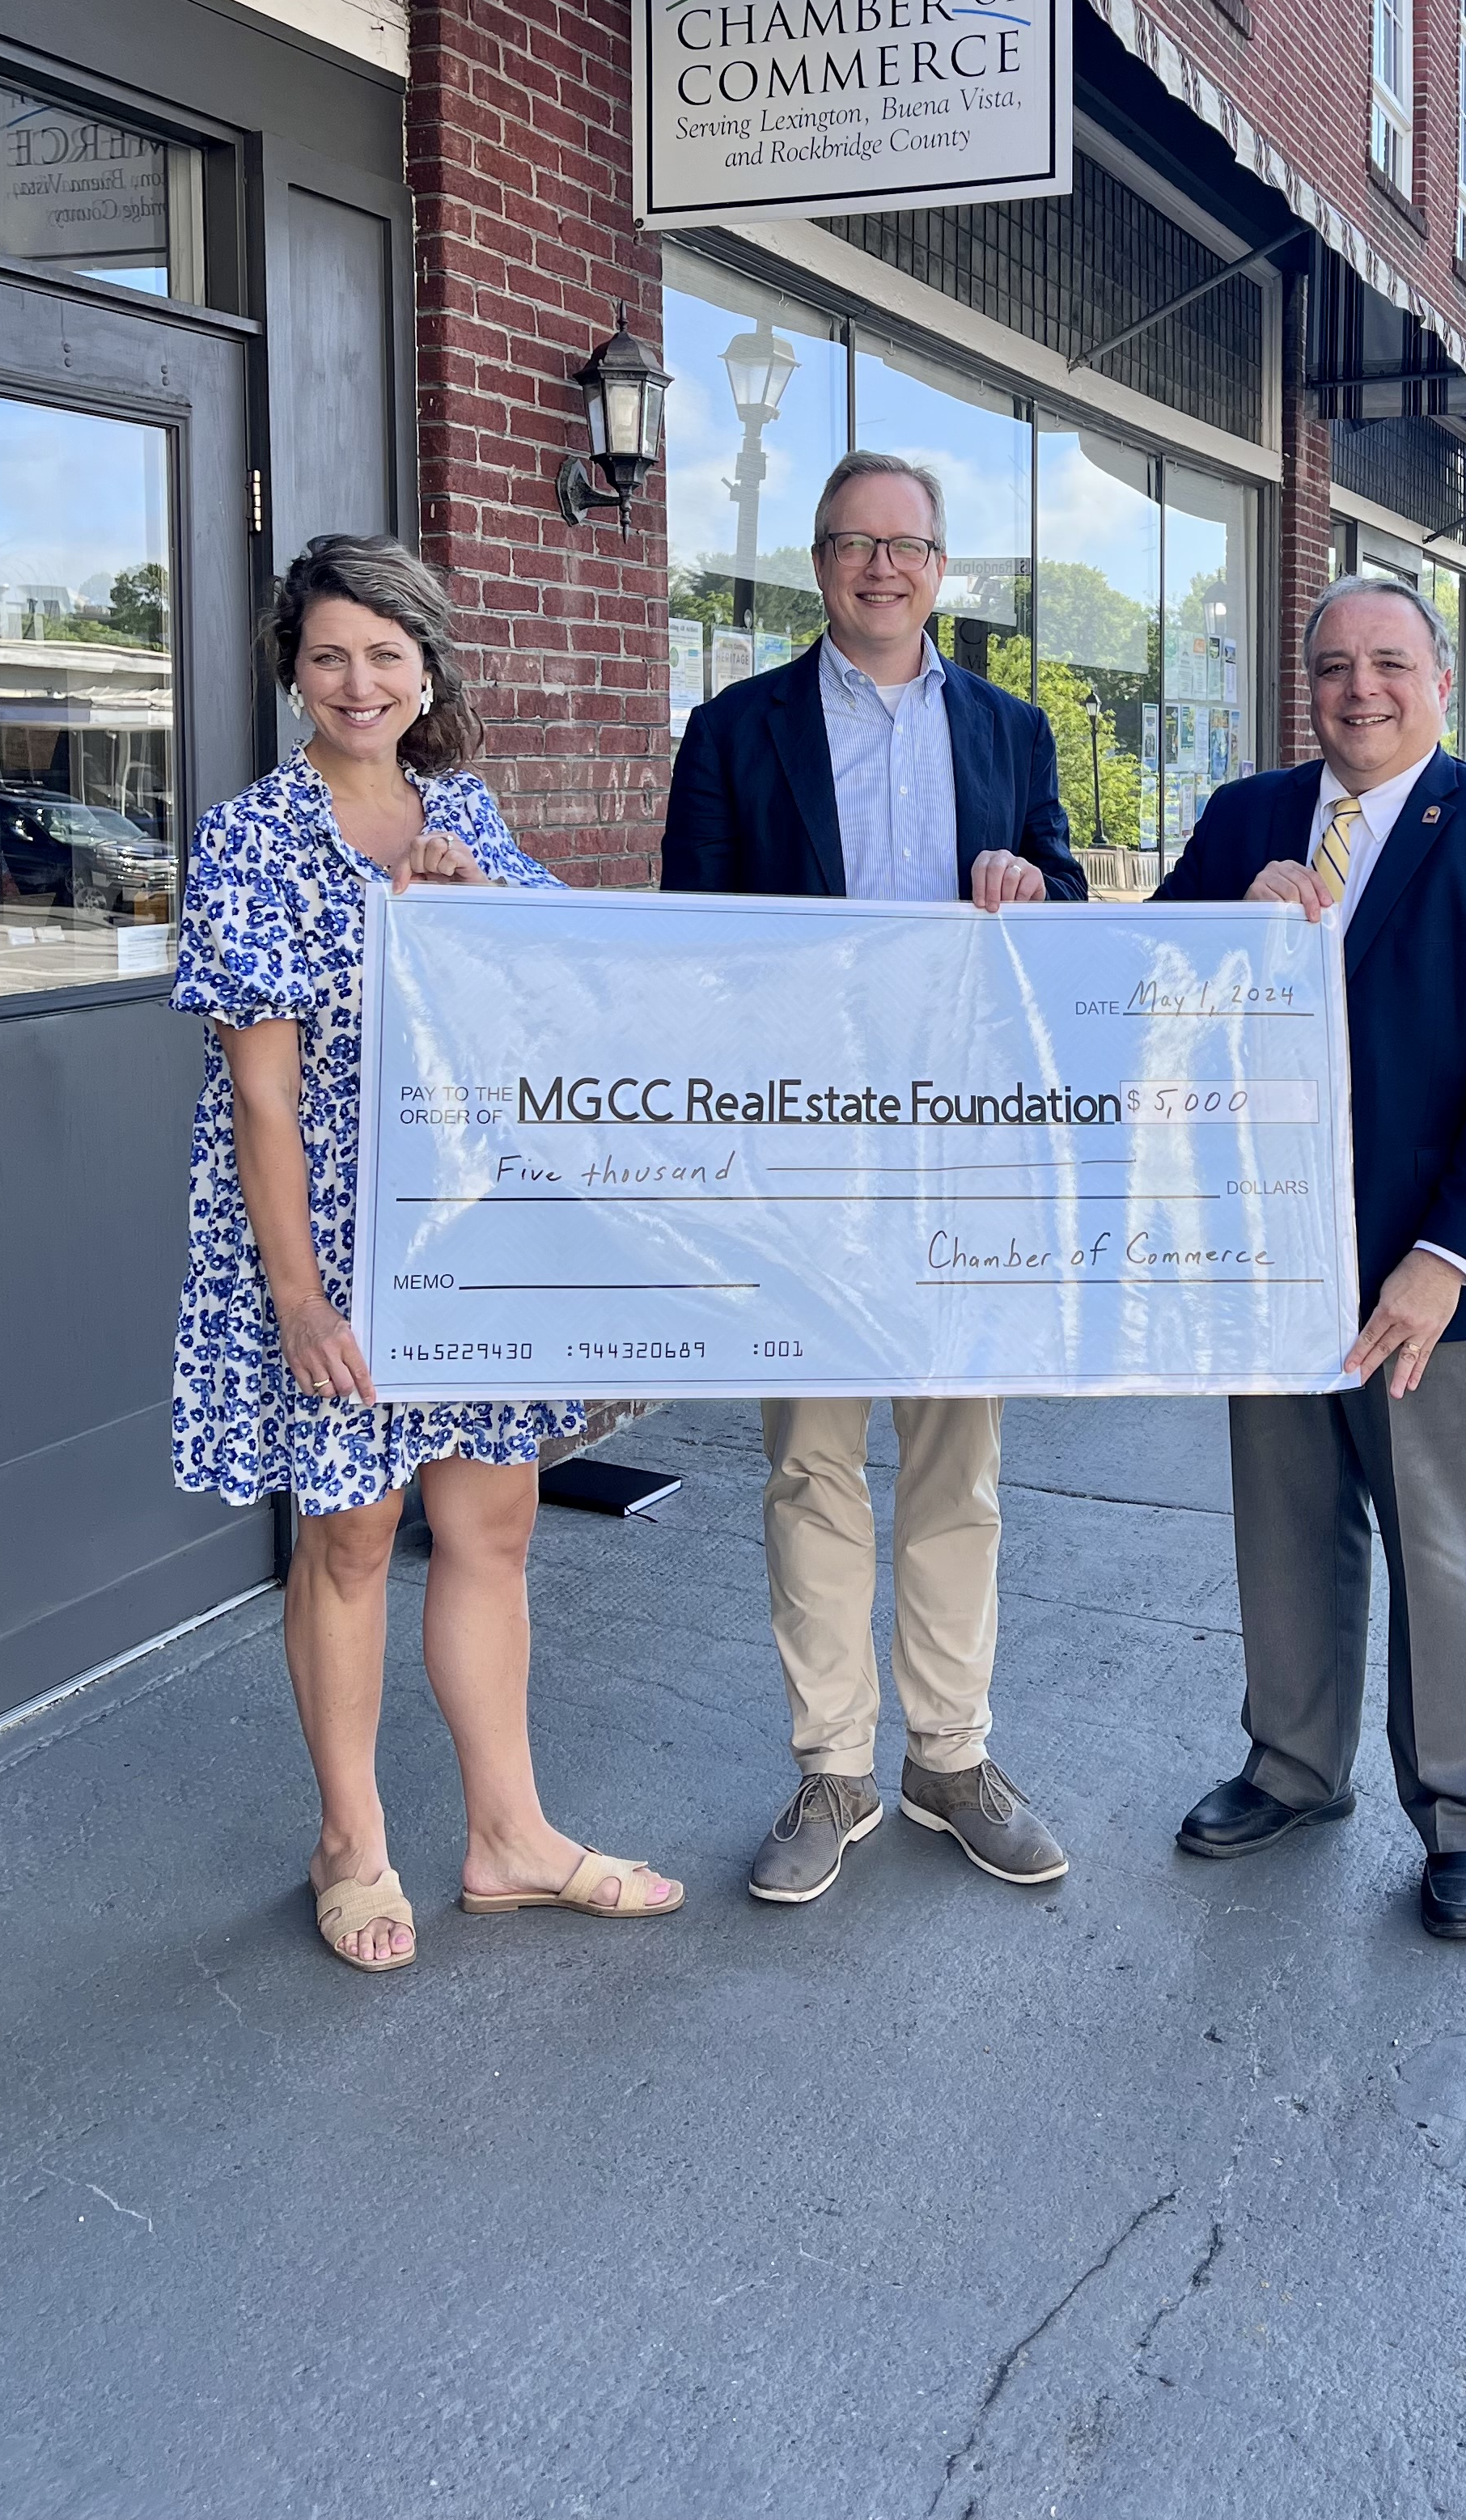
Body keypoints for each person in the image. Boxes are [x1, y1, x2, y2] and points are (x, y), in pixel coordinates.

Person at [171, 533, 681, 1972]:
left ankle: (510, 1836)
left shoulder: (466, 814)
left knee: (495, 1526)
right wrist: (297, 1297)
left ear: (425, 669)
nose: (358, 680)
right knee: (351, 1535)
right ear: (294, 669)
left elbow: (555, 993)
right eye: (330, 653)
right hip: (326, 1243)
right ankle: (351, 1839)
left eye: (386, 653)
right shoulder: (252, 838)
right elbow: (261, 1089)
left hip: (468, 1239)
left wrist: (475, 907)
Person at [662, 450, 1087, 1907]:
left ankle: (950, 1757)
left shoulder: (1017, 731)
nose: (881, 569)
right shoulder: (732, 730)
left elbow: (1068, 909)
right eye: (853, 545)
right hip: (805, 1152)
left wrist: (1037, 891)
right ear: (821, 564)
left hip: (964, 1155)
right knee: (812, 1458)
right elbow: (689, 945)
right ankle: (832, 1765)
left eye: (906, 546)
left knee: (958, 1462)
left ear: (940, 568)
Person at [1155, 571, 1466, 1942]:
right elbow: (1148, 985)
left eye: (1390, 662)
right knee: (1285, 1522)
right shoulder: (1242, 822)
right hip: (1269, 1256)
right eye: (1335, 664)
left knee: (1441, 1544)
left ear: (1440, 681)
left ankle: (1464, 1820)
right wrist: (1232, 919)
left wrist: (1446, 1255)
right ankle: (1292, 1766)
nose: (1362, 689)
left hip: (1427, 1277)